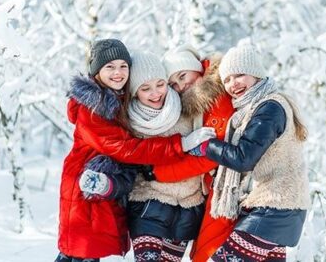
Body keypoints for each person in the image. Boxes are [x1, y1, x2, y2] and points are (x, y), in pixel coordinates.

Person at [55, 39, 215, 262]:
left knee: (83, 252)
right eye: (109, 67)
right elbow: (126, 149)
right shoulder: (92, 108)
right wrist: (180, 144)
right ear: (96, 72)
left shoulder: (119, 100)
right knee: (80, 252)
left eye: (123, 66)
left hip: (110, 183)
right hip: (86, 183)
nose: (118, 72)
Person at [195, 45, 310, 262]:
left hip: (275, 207)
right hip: (277, 208)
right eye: (227, 79)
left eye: (239, 75)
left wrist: (205, 147)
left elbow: (243, 158)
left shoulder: (270, 108)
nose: (233, 84)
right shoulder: (254, 108)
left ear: (256, 72)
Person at [148, 44, 237, 262]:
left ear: (195, 67)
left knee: (206, 253)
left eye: (182, 75)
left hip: (229, 187)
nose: (180, 85)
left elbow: (209, 158)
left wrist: (160, 174)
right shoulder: (198, 99)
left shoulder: (216, 95)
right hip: (213, 188)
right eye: (173, 84)